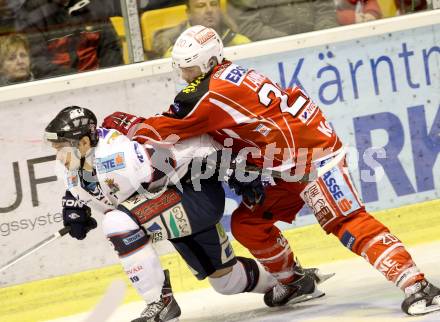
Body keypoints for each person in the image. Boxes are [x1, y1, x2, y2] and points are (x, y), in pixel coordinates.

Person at [102, 25, 440, 315]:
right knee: (247, 224)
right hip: (285, 167)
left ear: (206, 62)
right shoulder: (230, 78)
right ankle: (295, 281)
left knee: (346, 221)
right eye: (181, 68)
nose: (183, 75)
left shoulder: (210, 91)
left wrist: (124, 122)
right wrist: (244, 167)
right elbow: (241, 130)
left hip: (314, 159)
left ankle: (417, 284)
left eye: (188, 67)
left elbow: (163, 131)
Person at [44, 106, 330, 322]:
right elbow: (88, 189)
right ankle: (293, 281)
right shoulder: (73, 163)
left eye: (60, 147)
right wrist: (73, 206)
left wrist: (233, 168)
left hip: (195, 198)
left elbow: (185, 149)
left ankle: (160, 301)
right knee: (226, 282)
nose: (57, 153)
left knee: (117, 222)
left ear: (83, 143)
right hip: (164, 202)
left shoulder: (121, 155)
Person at [15, 0, 122, 78]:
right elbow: (36, 62)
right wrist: (76, 80)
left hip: (99, 82)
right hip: (57, 88)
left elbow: (110, 46)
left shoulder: (92, 4)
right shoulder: (31, 13)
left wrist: (108, 76)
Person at [153, 0, 250, 58]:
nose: (209, 10)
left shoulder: (240, 42)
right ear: (188, 13)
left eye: (213, 4)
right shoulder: (175, 49)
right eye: (201, 6)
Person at [226, 0, 339, 41]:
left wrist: (322, 37)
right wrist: (289, 43)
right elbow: (248, 25)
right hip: (272, 53)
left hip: (319, 45)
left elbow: (326, 9)